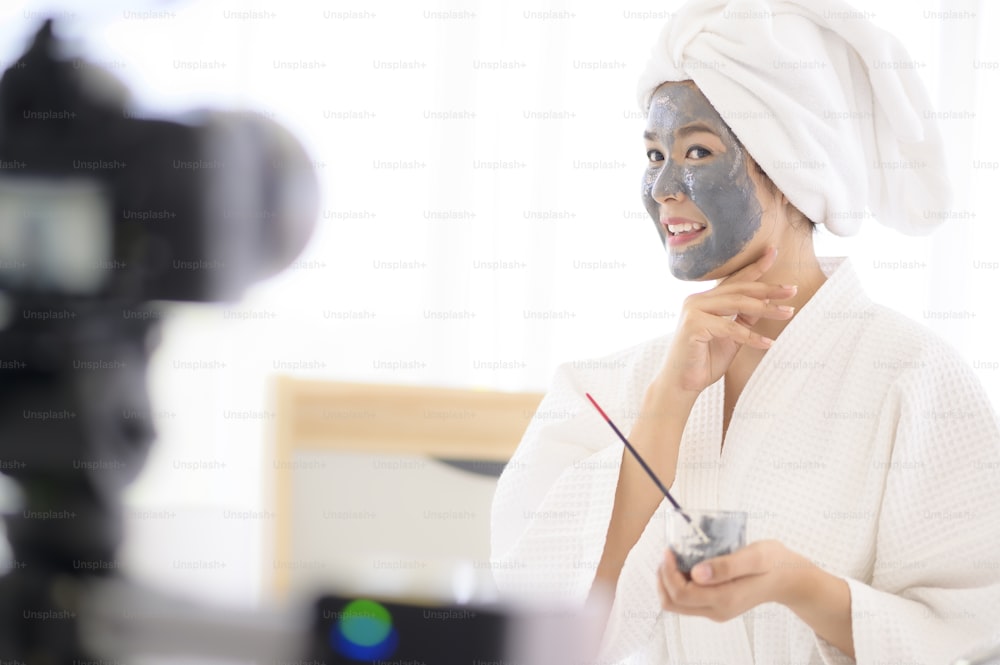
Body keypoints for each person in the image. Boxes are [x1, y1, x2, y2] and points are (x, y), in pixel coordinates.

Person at [489, 1, 1000, 664]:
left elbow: (973, 633)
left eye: (697, 150)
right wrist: (666, 406)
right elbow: (537, 626)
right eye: (653, 154)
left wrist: (802, 587)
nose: (663, 186)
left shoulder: (916, 379)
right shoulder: (606, 388)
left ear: (793, 167)